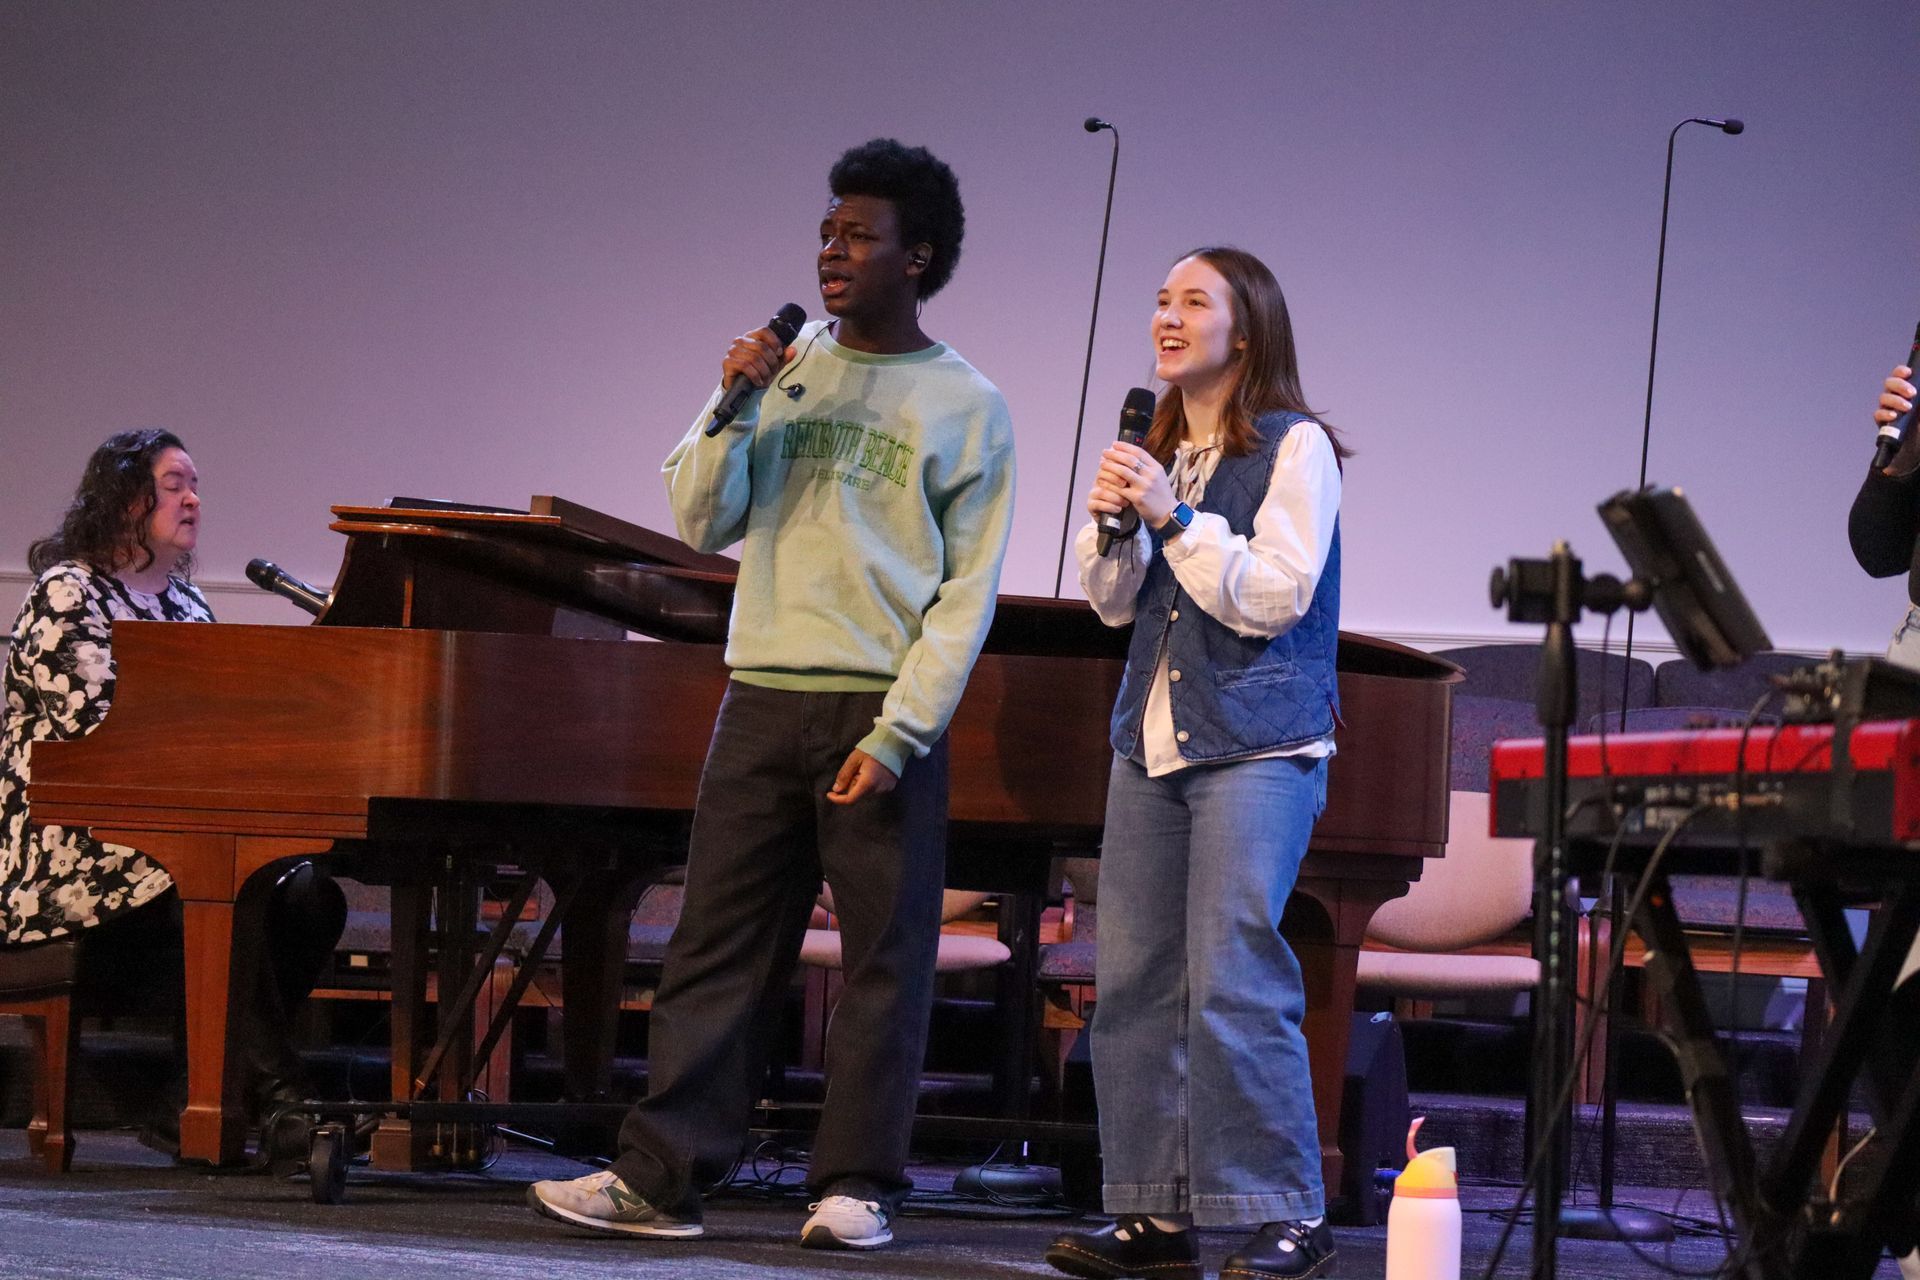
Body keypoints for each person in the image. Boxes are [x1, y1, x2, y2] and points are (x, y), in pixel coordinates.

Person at [527, 138, 1015, 1250]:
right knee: (715, 947)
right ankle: (661, 1176)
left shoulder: (967, 404)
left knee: (884, 957)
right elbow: (703, 516)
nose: (832, 251)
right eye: (827, 231)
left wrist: (901, 732)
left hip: (875, 711)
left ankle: (855, 1184)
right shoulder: (786, 371)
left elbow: (966, 593)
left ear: (918, 255)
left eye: (859, 234)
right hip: (759, 693)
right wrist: (733, 396)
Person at [1045, 247, 1349, 1280]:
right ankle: (1152, 1215)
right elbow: (1117, 602)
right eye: (1160, 302)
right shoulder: (1164, 450)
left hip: (1259, 742)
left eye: (1193, 302)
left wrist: (1174, 518)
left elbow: (1273, 595)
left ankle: (1284, 1211)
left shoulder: (1299, 448)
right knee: (1130, 980)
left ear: (1247, 328)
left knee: (1233, 974)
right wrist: (1116, 521)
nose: (1166, 318)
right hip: (1155, 738)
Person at [1, 428, 345, 1159]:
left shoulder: (187, 602)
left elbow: (210, 726)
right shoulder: (68, 590)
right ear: (127, 497)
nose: (193, 499)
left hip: (166, 837)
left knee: (311, 892)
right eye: (175, 483)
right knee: (229, 885)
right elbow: (94, 727)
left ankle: (187, 1099)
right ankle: (280, 1102)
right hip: (71, 851)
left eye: (195, 486)